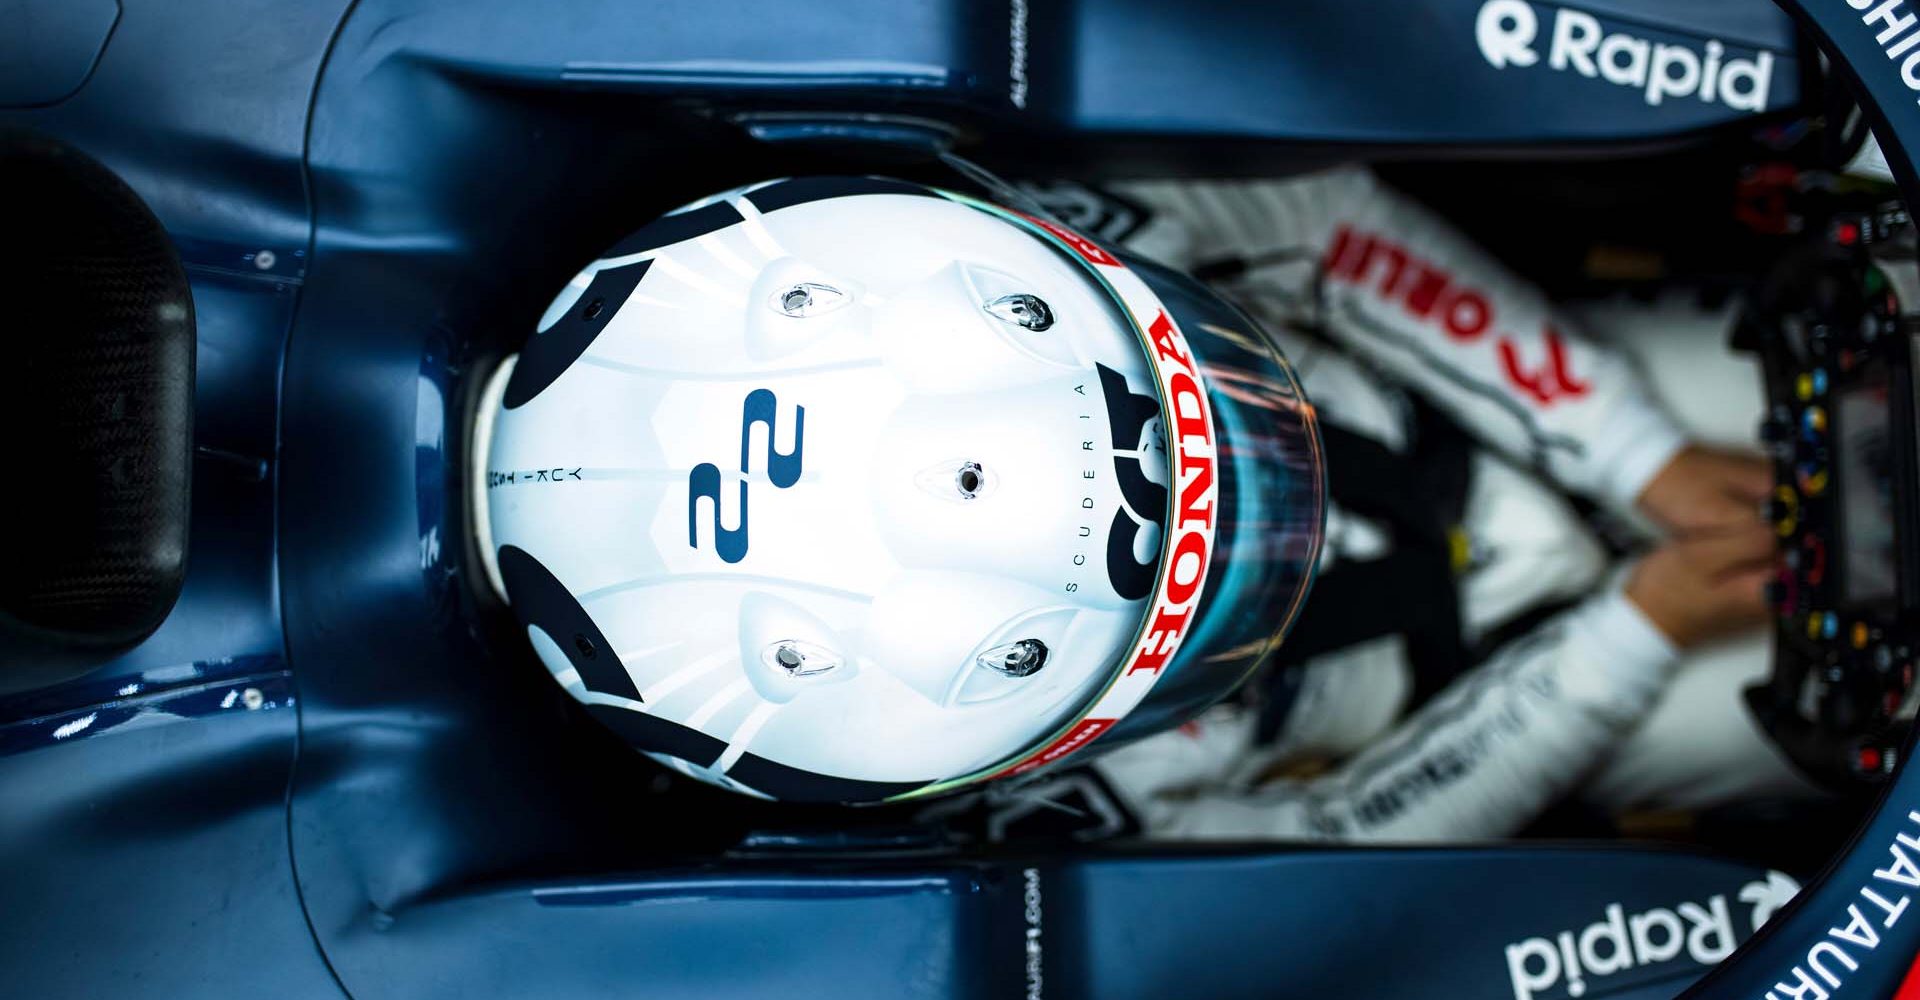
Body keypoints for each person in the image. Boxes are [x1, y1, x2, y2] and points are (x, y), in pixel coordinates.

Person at [1015, 167, 1817, 842]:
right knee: (1827, 721)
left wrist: (1632, 448)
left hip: (1497, 406)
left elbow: (1322, 221)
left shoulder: (1034, 246)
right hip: (1507, 689)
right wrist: (1626, 646)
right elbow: (1334, 850)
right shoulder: (1040, 803)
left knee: (1854, 369)